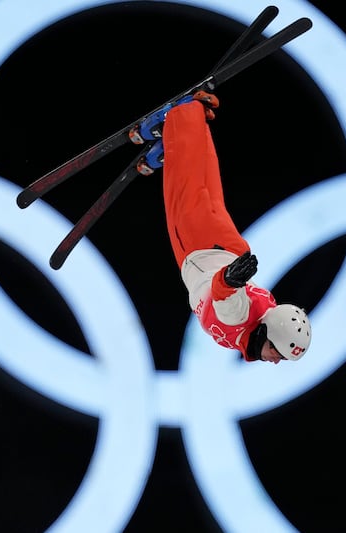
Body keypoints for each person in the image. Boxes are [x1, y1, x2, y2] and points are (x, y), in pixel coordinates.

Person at [130, 91, 311, 364]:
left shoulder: (261, 320)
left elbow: (228, 294)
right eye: (277, 352)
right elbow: (223, 294)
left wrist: (231, 280)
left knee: (202, 180)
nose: (275, 360)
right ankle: (177, 116)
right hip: (199, 247)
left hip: (224, 247)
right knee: (186, 186)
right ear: (268, 333)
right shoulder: (239, 318)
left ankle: (189, 125)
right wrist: (230, 281)